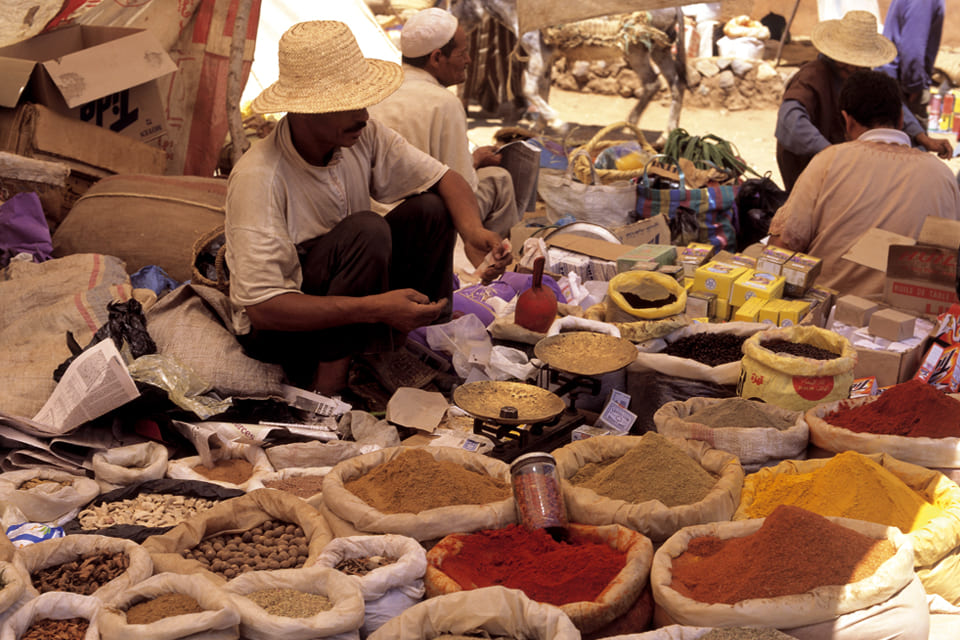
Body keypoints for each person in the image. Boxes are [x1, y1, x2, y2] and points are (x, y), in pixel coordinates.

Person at [224, 21, 510, 396]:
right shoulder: (259, 177)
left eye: (363, 102)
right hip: (283, 332)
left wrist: (473, 233)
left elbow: (446, 178)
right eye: (348, 105)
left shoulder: (362, 135)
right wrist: (374, 308)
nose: (362, 115)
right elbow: (264, 309)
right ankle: (330, 385)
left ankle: (386, 347)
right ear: (305, 110)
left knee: (430, 208)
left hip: (350, 295)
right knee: (367, 229)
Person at [768, 69, 960, 297]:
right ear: (900, 119)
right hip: (917, 324)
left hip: (828, 314)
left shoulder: (828, 161)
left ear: (847, 121)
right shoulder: (942, 174)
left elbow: (781, 246)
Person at [368, 8, 520, 241]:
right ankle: (490, 256)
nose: (468, 61)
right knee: (500, 180)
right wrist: (476, 161)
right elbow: (462, 186)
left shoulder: (376, 89)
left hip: (374, 221)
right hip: (420, 222)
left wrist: (475, 158)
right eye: (463, 54)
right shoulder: (445, 102)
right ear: (437, 57)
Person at [774, 10, 952, 193]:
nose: (852, 67)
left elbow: (891, 107)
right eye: (848, 60)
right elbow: (791, 123)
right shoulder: (811, 76)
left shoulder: (863, 75)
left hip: (847, 168)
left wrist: (923, 138)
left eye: (858, 61)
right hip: (810, 170)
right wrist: (832, 154)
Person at [879, 0, 945, 122]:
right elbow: (912, 50)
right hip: (901, 84)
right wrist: (914, 87)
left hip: (895, 79)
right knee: (914, 137)